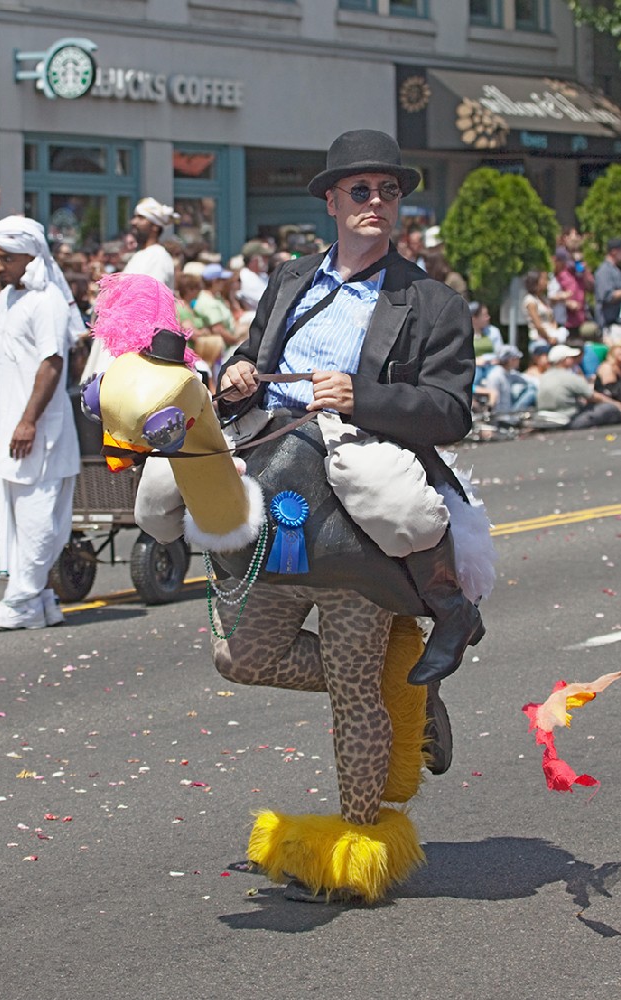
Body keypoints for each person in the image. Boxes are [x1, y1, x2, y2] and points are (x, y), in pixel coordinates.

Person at [213, 130, 490, 902]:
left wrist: (359, 396)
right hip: (275, 489)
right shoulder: (290, 279)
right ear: (331, 202)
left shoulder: (430, 300)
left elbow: (450, 410)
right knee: (241, 657)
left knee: (350, 685)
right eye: (360, 191)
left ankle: (358, 847)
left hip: (358, 507)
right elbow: (250, 354)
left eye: (387, 191)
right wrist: (234, 375)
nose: (375, 203)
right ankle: (408, 692)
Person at [0, 216, 81, 630]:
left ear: (30, 257)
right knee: (19, 515)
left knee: (38, 515)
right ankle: (41, 600)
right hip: (11, 424)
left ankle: (21, 601)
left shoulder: (47, 300)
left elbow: (52, 364)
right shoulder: (7, 297)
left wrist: (28, 421)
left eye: (5, 258)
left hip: (39, 428)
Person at [537, 344, 621, 428]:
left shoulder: (544, 376)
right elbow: (592, 396)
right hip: (569, 419)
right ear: (564, 360)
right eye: (571, 357)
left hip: (546, 416)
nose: (574, 359)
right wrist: (616, 404)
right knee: (609, 408)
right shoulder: (569, 377)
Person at [123, 198, 180, 290]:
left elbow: (150, 294)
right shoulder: (140, 255)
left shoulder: (158, 256)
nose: (133, 222)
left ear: (155, 227)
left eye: (141, 218)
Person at [483, 344, 537, 412]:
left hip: (507, 413)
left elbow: (525, 379)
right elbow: (494, 403)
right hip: (500, 415)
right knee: (532, 391)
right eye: (517, 358)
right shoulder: (495, 376)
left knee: (531, 387)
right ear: (510, 360)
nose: (519, 360)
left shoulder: (509, 373)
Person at [522, 270, 567, 347]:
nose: (547, 282)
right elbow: (538, 325)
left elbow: (552, 319)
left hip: (553, 337)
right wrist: (548, 338)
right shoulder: (530, 300)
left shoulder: (544, 299)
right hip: (540, 340)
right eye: (544, 279)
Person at [593, 238, 621, 341]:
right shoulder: (604, 271)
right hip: (609, 326)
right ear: (614, 251)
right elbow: (606, 296)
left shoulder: (615, 270)